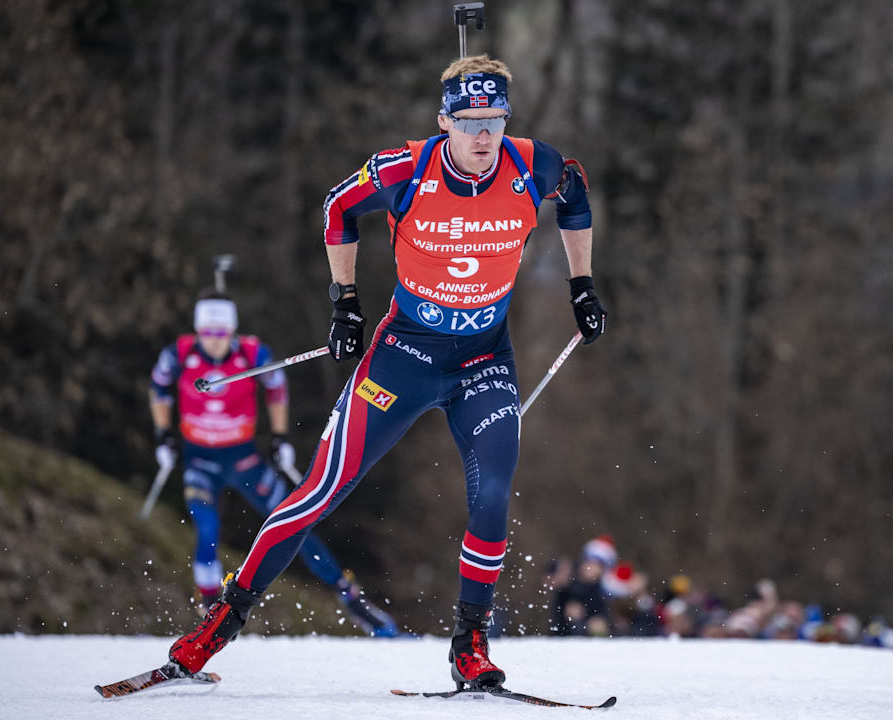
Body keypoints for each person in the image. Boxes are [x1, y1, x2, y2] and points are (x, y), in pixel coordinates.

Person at [165, 54, 607, 690]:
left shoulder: (534, 164)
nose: (484, 136)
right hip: (404, 356)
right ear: (443, 121)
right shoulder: (407, 168)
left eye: (495, 120)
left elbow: (576, 198)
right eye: (470, 121)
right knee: (320, 490)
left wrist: (583, 287)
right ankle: (218, 626)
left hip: (485, 359)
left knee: (490, 497)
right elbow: (337, 210)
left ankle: (469, 647)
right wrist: (344, 301)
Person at [149, 292, 398, 636]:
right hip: (201, 462)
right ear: (198, 331)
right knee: (207, 531)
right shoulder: (179, 354)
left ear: (232, 333)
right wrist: (163, 435)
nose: (215, 341)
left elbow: (277, 389)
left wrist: (280, 439)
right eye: (208, 333)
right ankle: (209, 613)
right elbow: (158, 389)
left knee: (294, 521)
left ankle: (350, 597)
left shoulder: (251, 353)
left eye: (222, 334)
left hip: (244, 460)